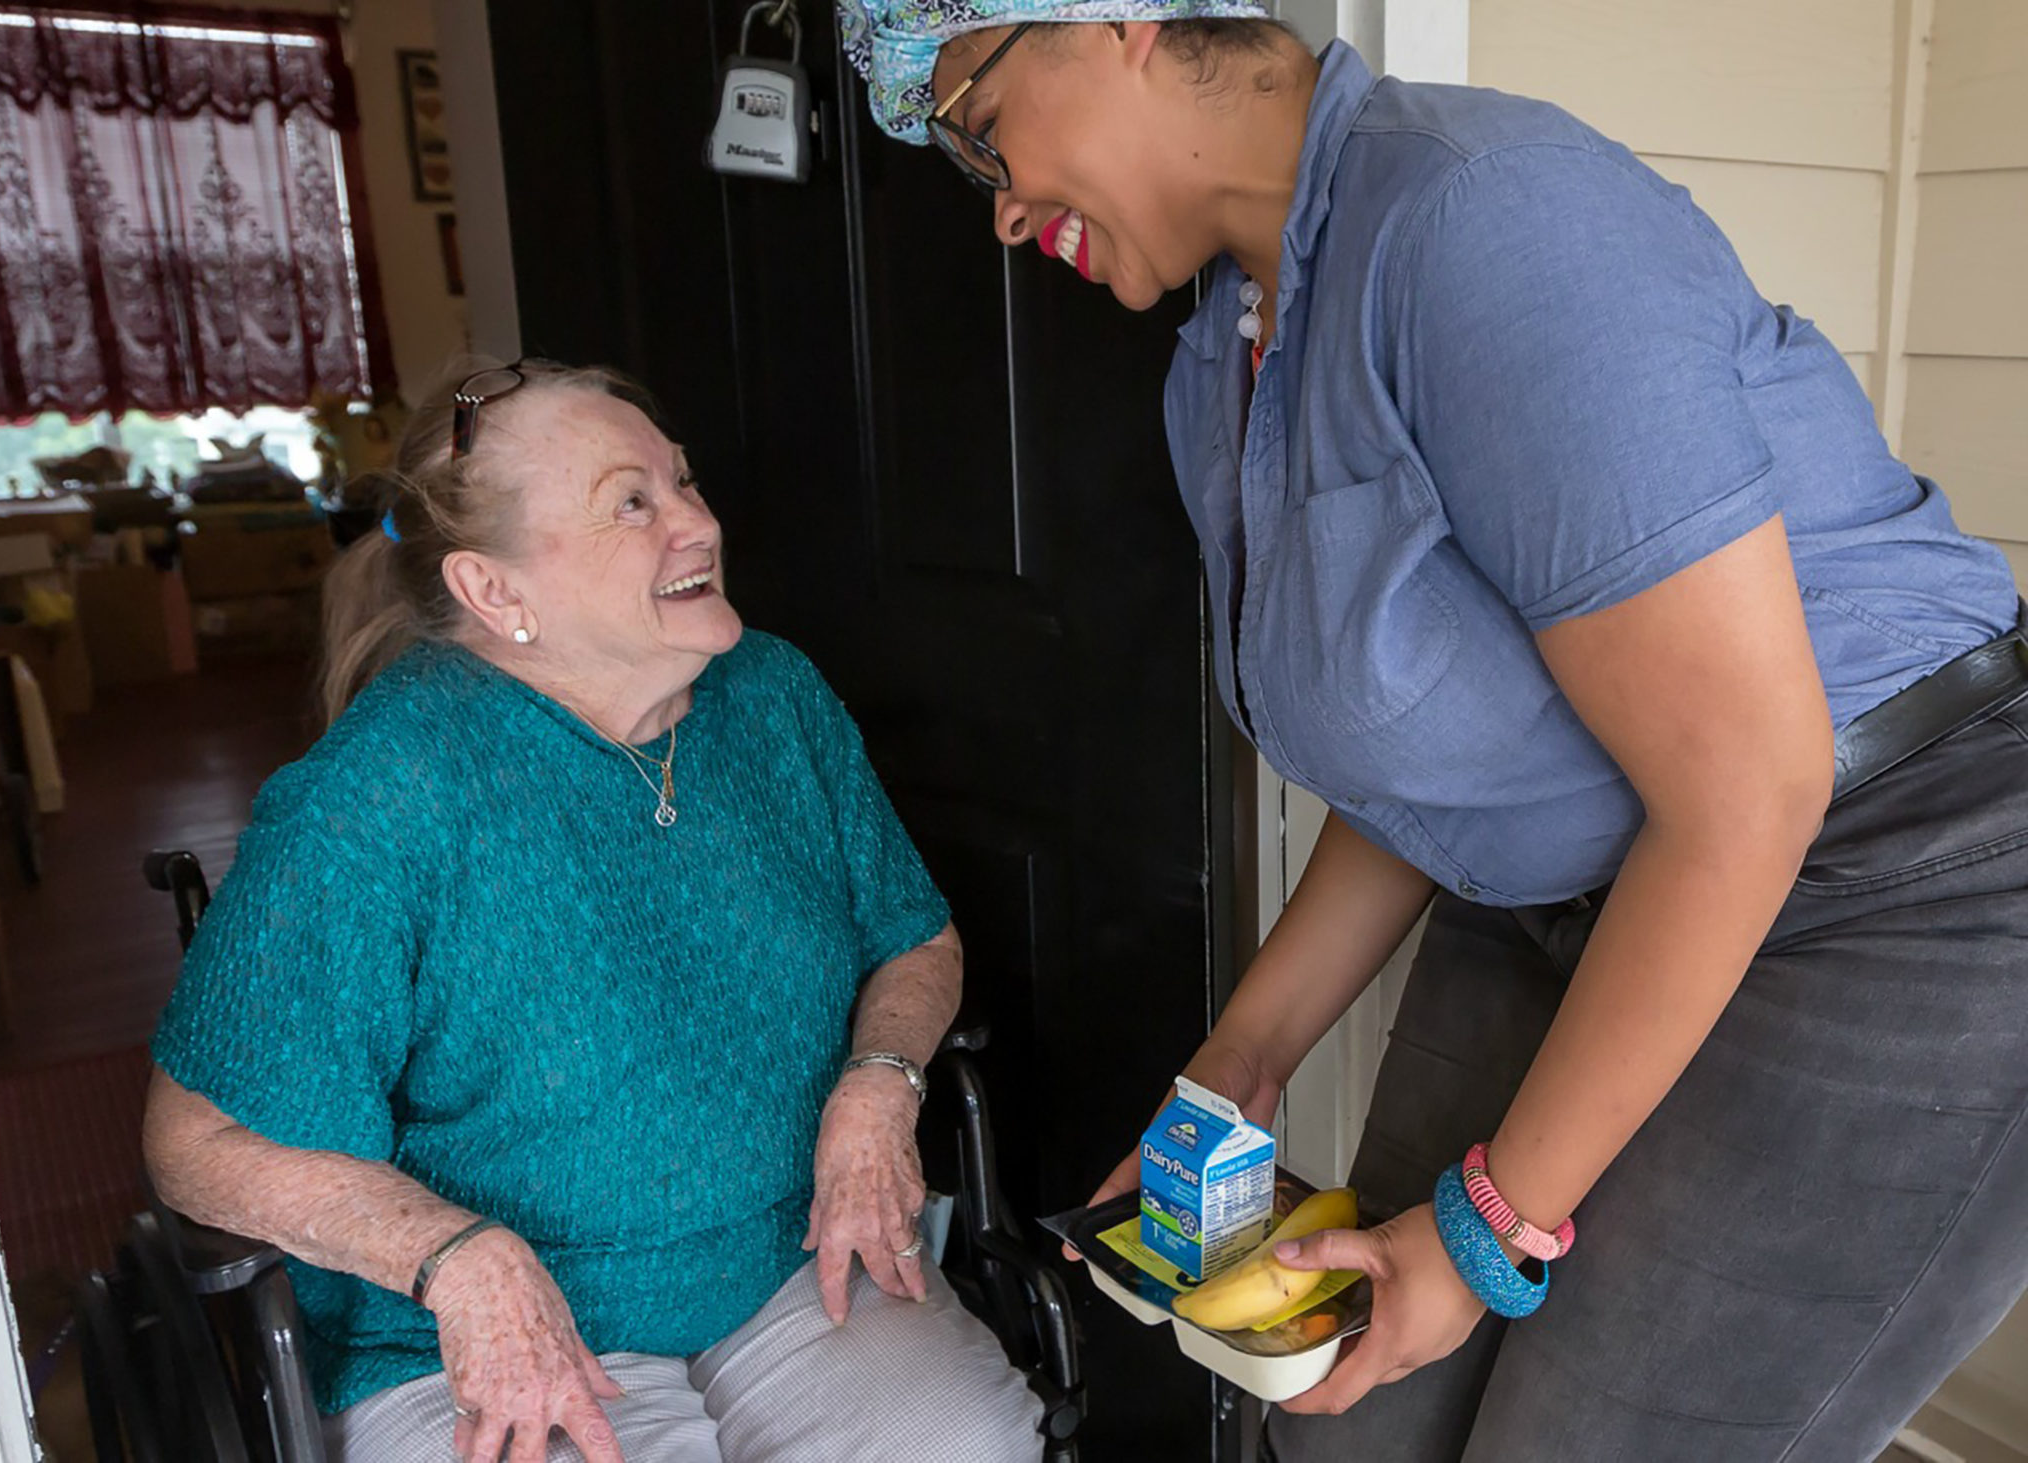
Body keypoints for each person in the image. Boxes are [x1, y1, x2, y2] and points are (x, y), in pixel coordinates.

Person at [835, 6, 2028, 1460]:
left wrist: (1486, 1234)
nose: (1004, 210)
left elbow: (1744, 783)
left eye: (974, 125)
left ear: (1118, 24)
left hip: (1903, 882)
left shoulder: (1483, 217)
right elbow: (1424, 762)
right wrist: (1240, 1062)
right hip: (1576, 885)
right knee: (1351, 1421)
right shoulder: (1223, 356)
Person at [142, 359, 1045, 1463]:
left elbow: (914, 936)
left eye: (682, 482)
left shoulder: (769, 695)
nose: (696, 523)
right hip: (476, 1331)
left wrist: (879, 1080)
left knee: (966, 1440)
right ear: (495, 592)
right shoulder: (378, 795)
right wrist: (457, 1257)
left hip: (784, 1259)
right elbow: (195, 1139)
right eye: (632, 501)